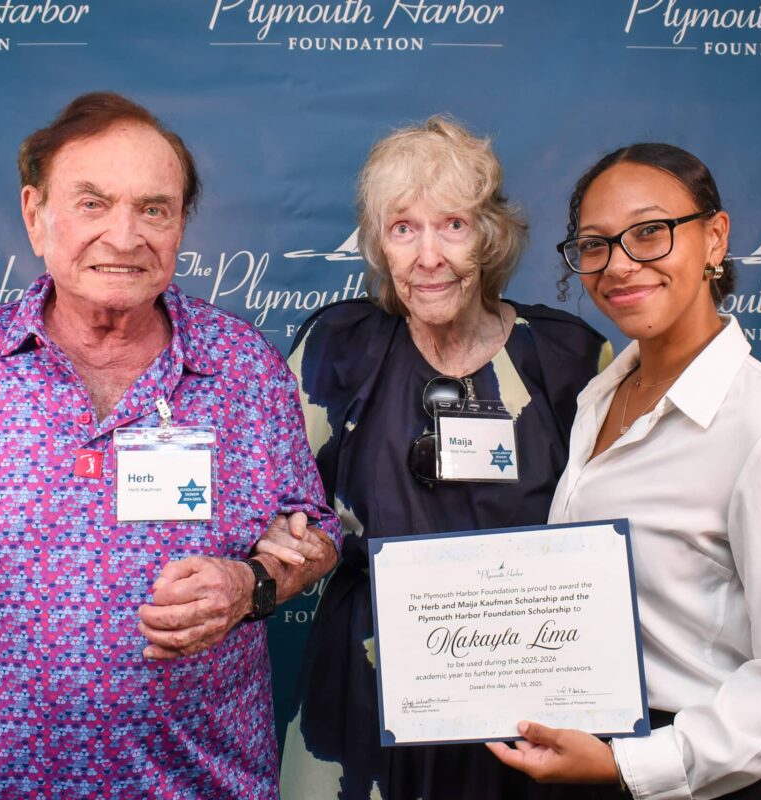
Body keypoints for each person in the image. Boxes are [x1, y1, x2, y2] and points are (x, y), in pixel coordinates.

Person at [0, 92, 340, 800]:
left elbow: (318, 533)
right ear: (35, 214)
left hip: (204, 786)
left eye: (154, 208)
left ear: (180, 224)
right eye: (92, 203)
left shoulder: (242, 367)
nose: (124, 236)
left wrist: (250, 586)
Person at [257, 117, 609, 800]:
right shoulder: (339, 348)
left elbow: (621, 525)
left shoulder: (568, 358)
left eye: (453, 224)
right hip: (367, 683)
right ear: (379, 245)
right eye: (403, 228)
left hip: (527, 687)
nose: (428, 256)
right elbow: (277, 502)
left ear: (491, 235)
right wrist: (279, 539)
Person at [487, 143, 761, 799]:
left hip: (711, 778)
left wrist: (627, 765)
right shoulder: (597, 399)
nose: (619, 265)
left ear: (714, 238)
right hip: (584, 759)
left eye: (650, 233)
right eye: (595, 245)